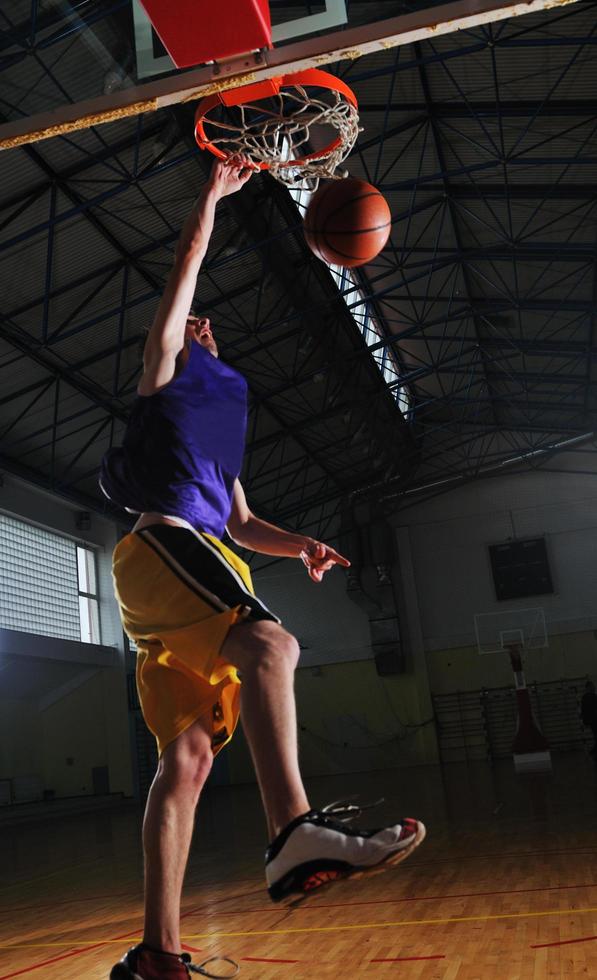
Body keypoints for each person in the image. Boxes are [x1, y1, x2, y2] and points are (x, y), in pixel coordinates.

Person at [102, 156, 426, 980]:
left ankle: (157, 955)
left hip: (193, 553)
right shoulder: (164, 380)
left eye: (206, 328)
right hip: (162, 547)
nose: (200, 327)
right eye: (190, 328)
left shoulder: (221, 417)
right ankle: (293, 832)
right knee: (272, 645)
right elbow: (182, 272)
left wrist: (304, 544)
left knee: (188, 762)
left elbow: (242, 523)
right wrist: (210, 194)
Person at [581, 679, 597, 755]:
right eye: (593, 686)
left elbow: (583, 711)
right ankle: (593, 751)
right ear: (589, 687)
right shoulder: (592, 696)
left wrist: (585, 721)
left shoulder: (584, 697)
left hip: (590, 720)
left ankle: (593, 751)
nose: (594, 687)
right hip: (593, 720)